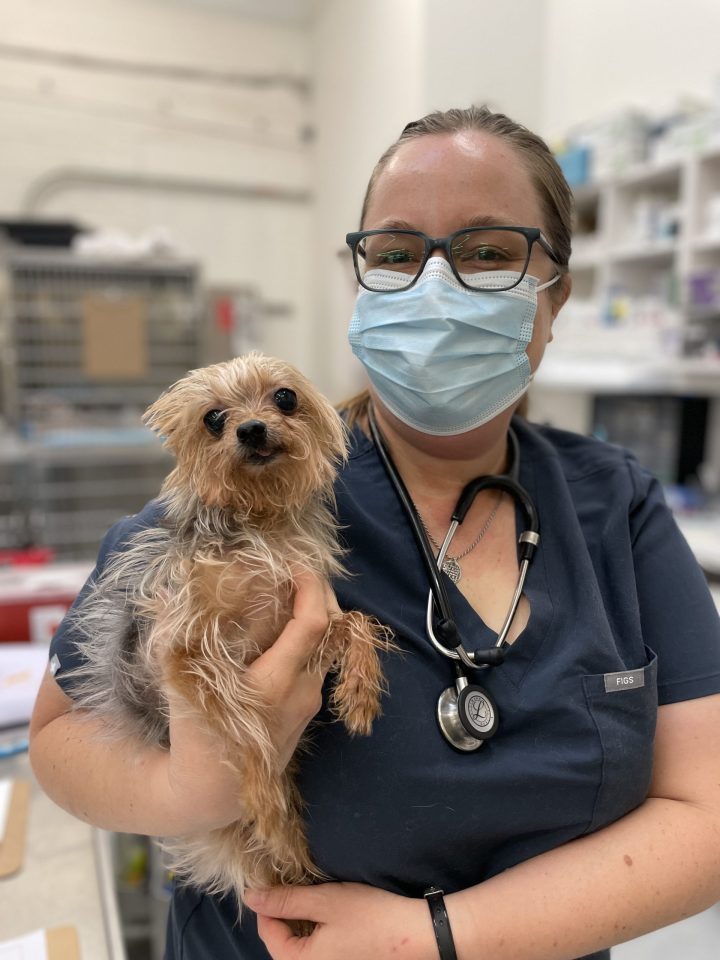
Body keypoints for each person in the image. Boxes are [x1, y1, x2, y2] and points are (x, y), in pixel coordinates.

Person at [29, 106, 720, 960]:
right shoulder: (248, 499)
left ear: (555, 294)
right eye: (396, 254)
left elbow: (707, 816)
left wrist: (434, 938)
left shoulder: (618, 507)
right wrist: (187, 785)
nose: (436, 286)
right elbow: (59, 736)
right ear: (362, 282)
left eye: (488, 251)